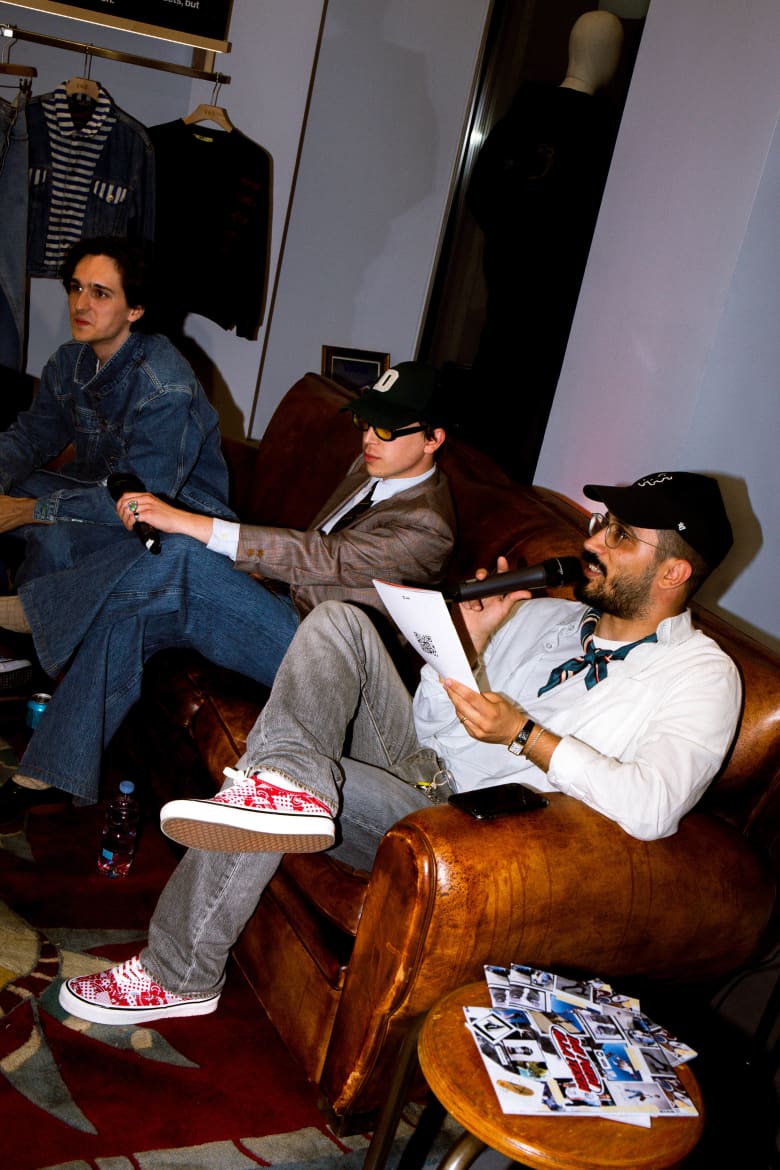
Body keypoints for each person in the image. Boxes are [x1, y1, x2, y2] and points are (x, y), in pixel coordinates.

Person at [58, 470, 742, 1026]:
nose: (593, 540)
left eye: (619, 535)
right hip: (425, 765)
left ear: (673, 573)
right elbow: (432, 726)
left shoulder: (703, 676)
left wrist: (526, 737)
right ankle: (284, 788)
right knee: (339, 623)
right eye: (600, 522)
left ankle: (177, 973)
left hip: (473, 825)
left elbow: (653, 807)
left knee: (286, 777)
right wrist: (464, 655)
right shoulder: (548, 616)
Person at [0, 362, 454, 818]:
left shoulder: (427, 527)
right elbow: (320, 566)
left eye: (386, 429)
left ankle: (41, 612)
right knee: (134, 613)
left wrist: (186, 522)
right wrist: (258, 577)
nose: (369, 438)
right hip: (286, 605)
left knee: (183, 553)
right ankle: (52, 771)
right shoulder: (376, 466)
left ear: (433, 439)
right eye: (365, 421)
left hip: (325, 662)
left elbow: (323, 554)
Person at [0, 236, 234, 584]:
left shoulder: (165, 388)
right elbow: (31, 437)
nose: (80, 304)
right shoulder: (68, 362)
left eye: (100, 293)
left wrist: (30, 511)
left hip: (169, 513)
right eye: (76, 288)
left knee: (56, 540)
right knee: (13, 489)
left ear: (134, 309)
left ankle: (29, 612)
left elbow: (143, 500)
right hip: (98, 489)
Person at [466, 11, 624, 482]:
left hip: (508, 290)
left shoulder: (519, 119)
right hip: (556, 306)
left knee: (494, 407)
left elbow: (482, 196)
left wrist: (511, 240)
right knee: (531, 425)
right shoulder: (602, 136)